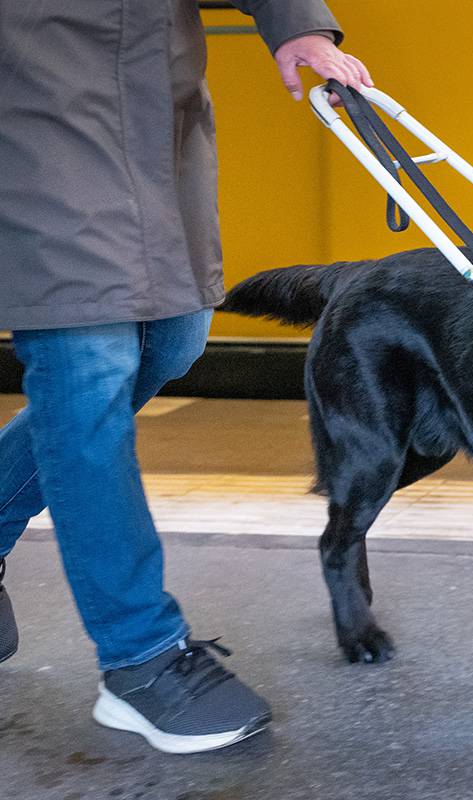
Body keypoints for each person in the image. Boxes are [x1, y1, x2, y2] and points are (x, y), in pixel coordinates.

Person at [0, 0, 373, 754]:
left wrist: (295, 21)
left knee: (170, 341)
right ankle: (140, 658)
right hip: (30, 122)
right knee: (89, 369)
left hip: (156, 125)